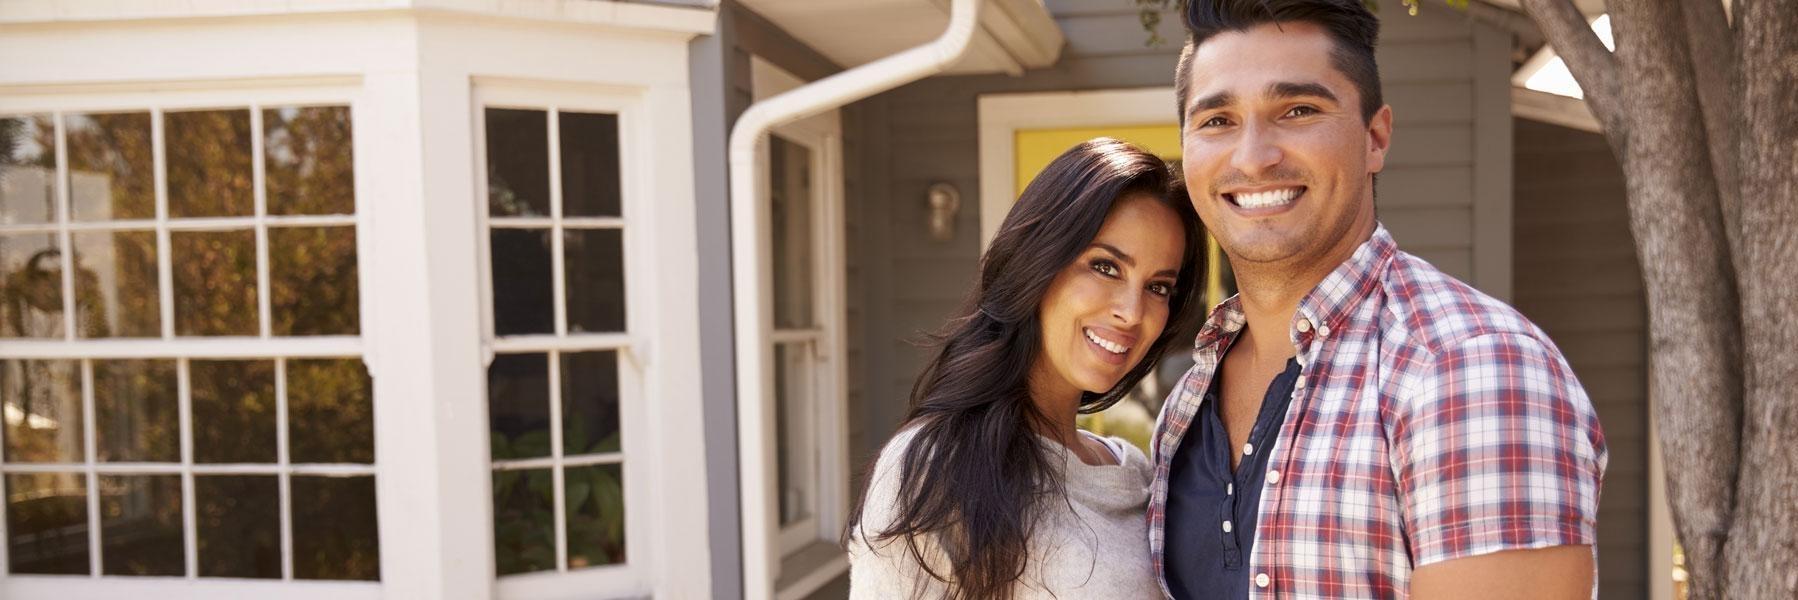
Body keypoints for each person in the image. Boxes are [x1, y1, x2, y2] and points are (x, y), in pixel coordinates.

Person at [1151, 1, 1608, 599]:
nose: (1253, 156)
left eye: (1297, 110)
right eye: (1217, 121)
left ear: (1375, 137)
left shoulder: (1471, 368)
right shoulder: (1185, 403)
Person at [846, 138, 1206, 599]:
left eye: (1158, 287)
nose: (1133, 312)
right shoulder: (936, 468)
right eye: (1105, 267)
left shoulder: (1133, 473)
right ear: (1038, 263)